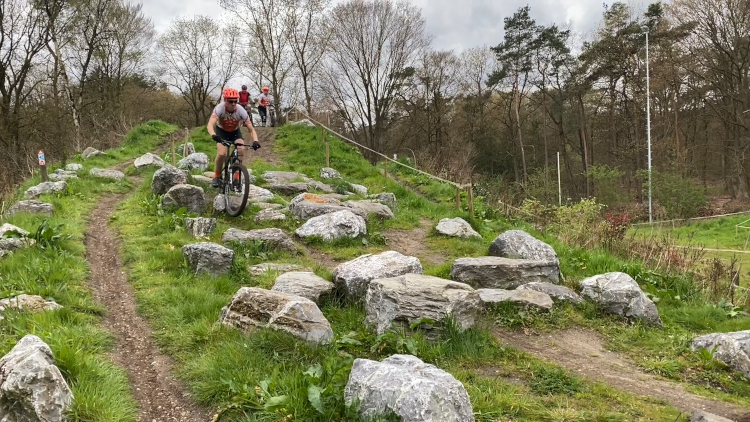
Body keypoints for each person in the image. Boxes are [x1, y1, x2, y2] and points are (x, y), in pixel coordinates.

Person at [207, 87, 260, 188]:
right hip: (221, 132)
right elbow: (210, 125)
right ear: (225, 100)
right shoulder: (219, 108)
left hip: (235, 132)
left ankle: (236, 177)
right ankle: (217, 175)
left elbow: (251, 129)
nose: (233, 104)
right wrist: (214, 135)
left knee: (241, 149)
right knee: (222, 154)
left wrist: (256, 141)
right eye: (231, 101)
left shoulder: (241, 110)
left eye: (236, 101)